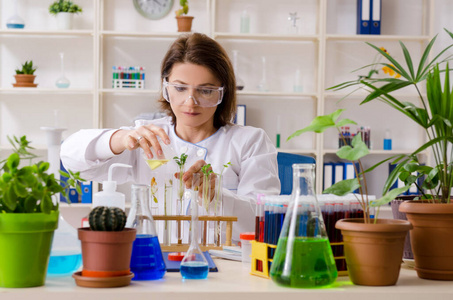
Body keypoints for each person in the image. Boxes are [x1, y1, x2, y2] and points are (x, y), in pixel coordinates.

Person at [61, 33, 280, 242]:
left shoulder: (250, 141)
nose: (190, 101)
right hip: (156, 264)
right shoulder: (146, 137)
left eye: (205, 90)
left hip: (223, 267)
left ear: (223, 93)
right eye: (180, 88)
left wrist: (216, 196)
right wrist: (120, 138)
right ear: (166, 87)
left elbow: (262, 222)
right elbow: (72, 161)